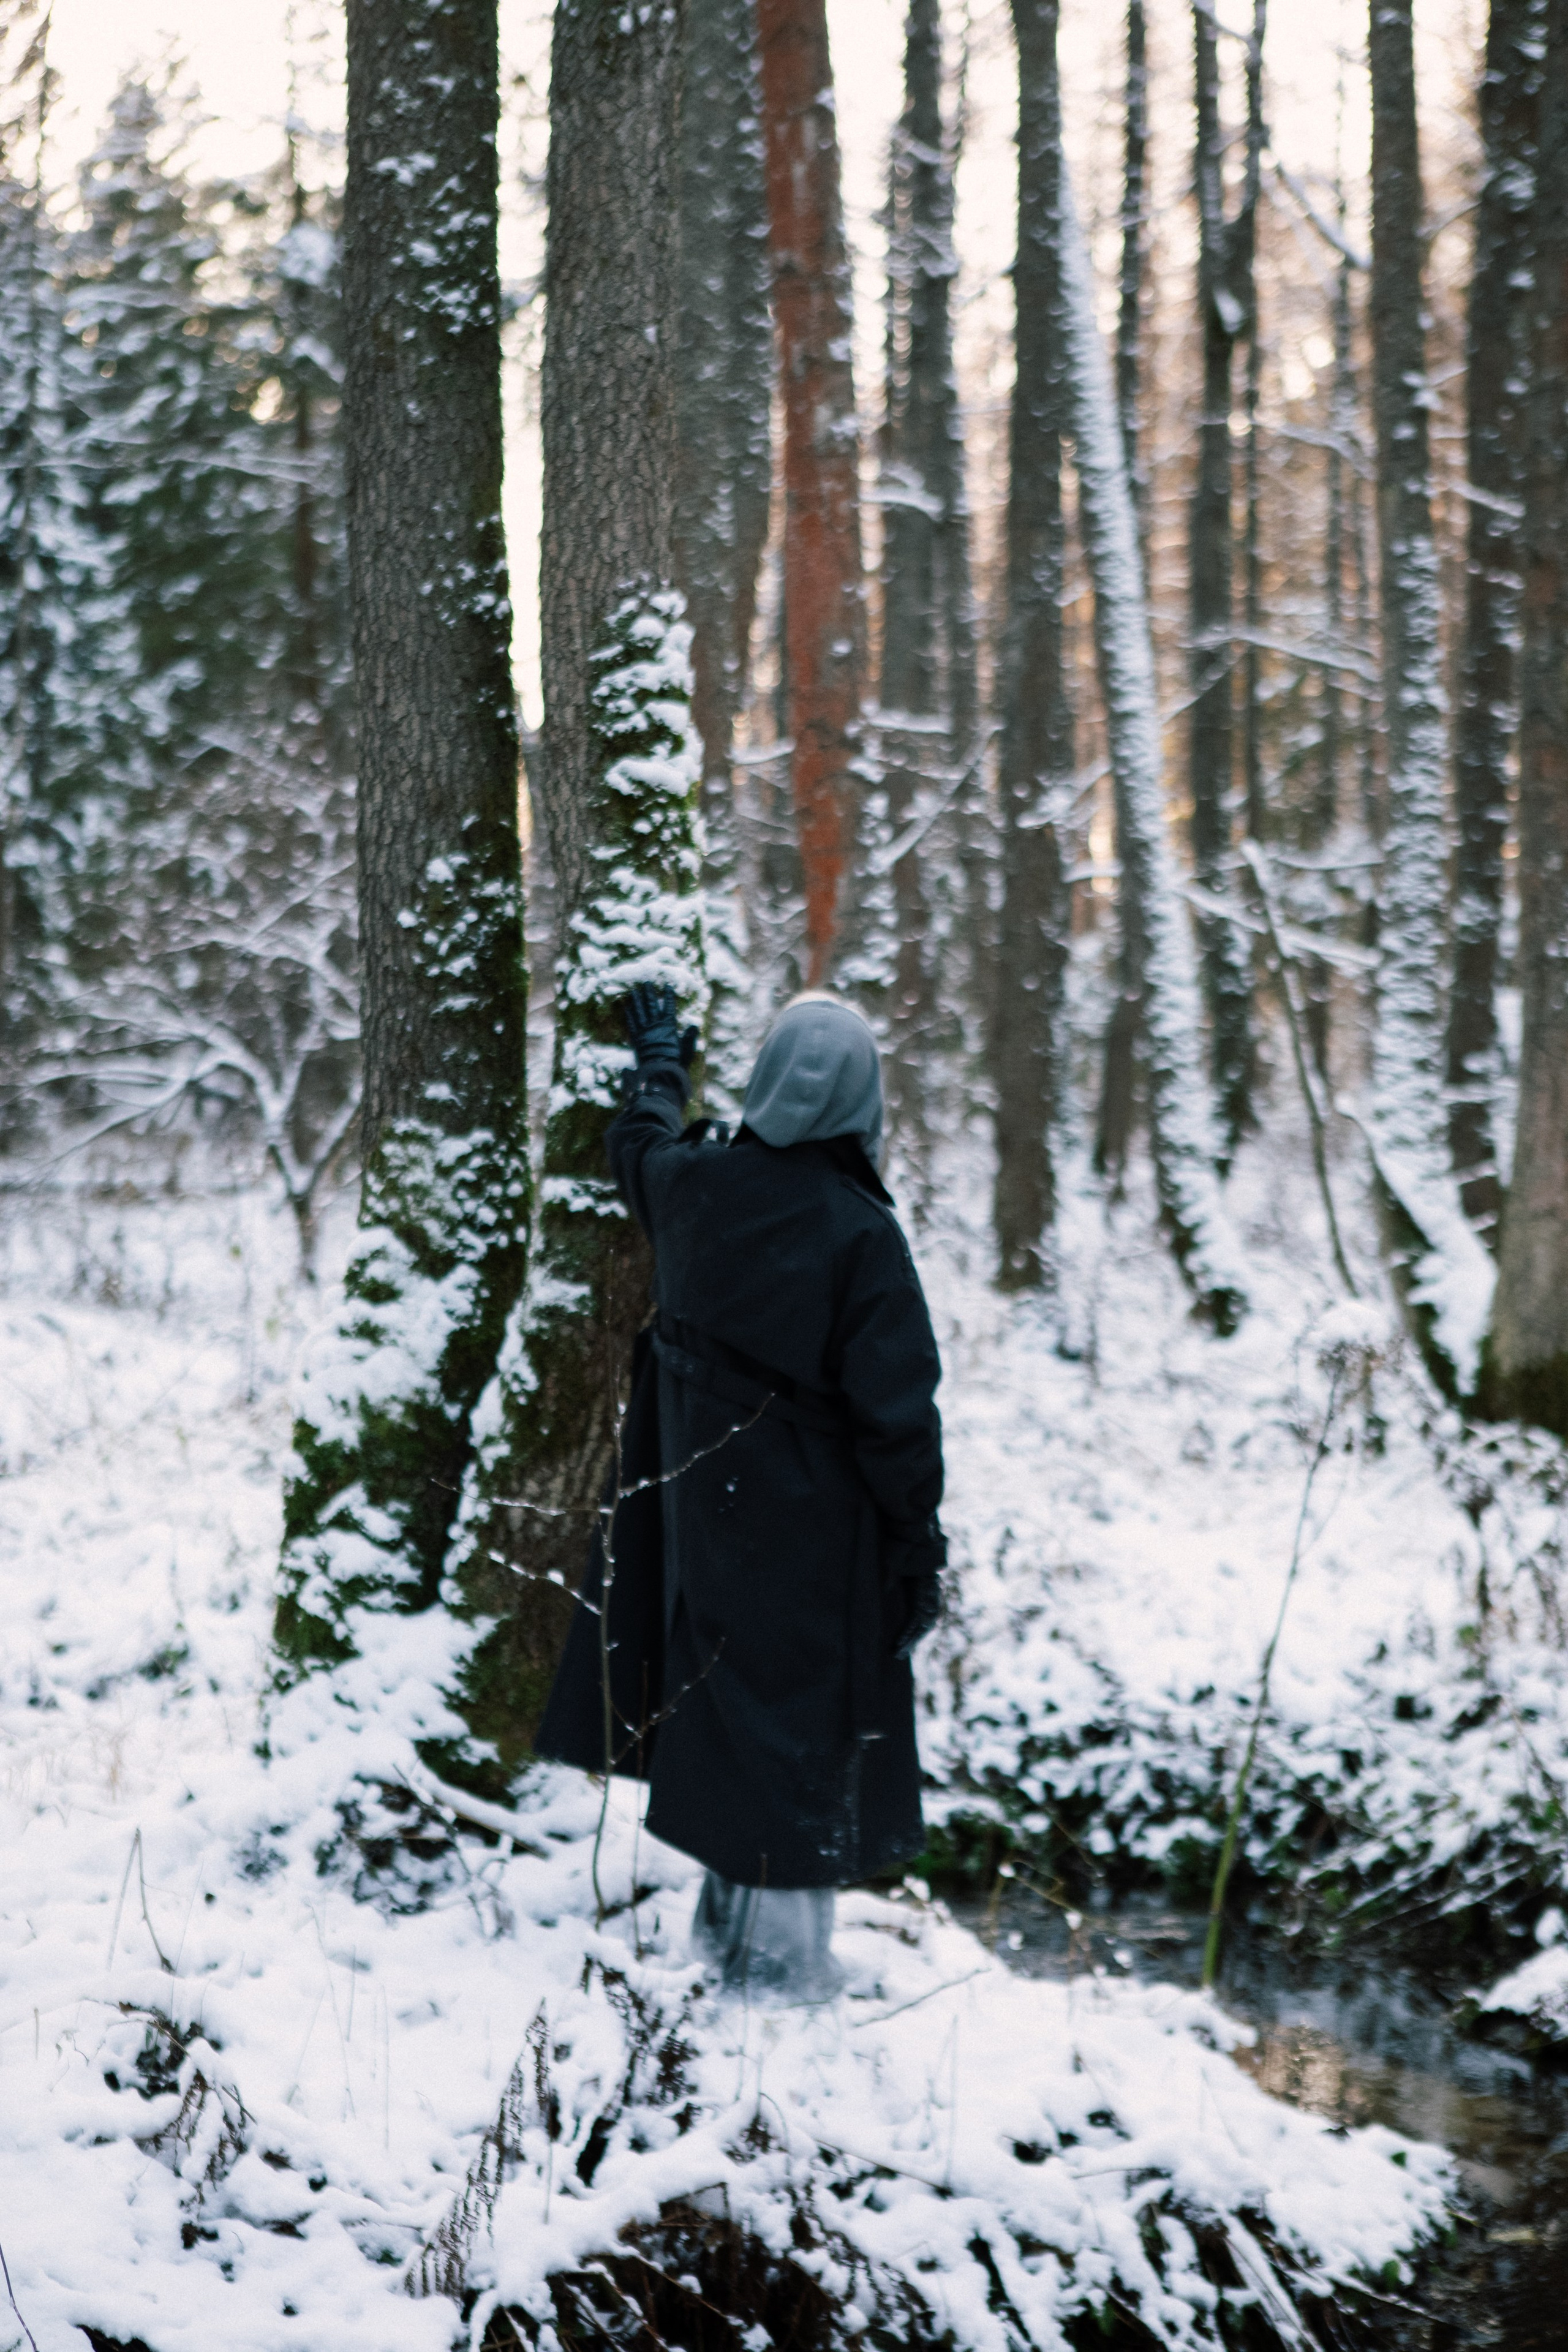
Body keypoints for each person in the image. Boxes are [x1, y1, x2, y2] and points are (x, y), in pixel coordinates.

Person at [537, 987, 946, 2002]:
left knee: (733, 1717)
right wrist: (917, 1553)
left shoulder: (695, 1185)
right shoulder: (861, 1236)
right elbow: (900, 1421)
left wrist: (661, 1063)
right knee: (794, 1736)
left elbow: (636, 1145)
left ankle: (728, 1949)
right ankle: (784, 1981)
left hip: (700, 1521)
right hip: (818, 1535)